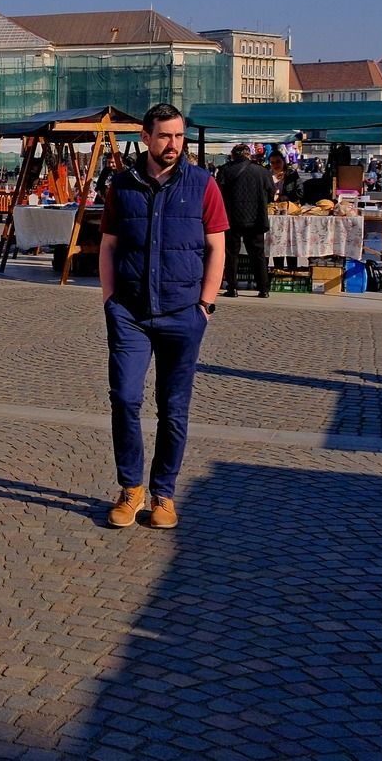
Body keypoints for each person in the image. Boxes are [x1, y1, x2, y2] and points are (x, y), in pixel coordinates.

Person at [98, 104, 227, 530]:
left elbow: (217, 247)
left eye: (178, 136)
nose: (173, 144)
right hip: (130, 312)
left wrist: (205, 305)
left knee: (173, 409)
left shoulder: (203, 184)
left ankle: (164, 494)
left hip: (182, 313)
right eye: (164, 136)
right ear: (146, 138)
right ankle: (130, 487)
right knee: (125, 398)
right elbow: (108, 245)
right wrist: (110, 300)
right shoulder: (122, 185)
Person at [215, 144, 273, 298]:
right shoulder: (262, 171)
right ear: (249, 155)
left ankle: (232, 288)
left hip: (231, 217)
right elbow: (271, 194)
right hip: (256, 218)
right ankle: (263, 289)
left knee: (231, 254)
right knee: (258, 254)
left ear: (233, 155)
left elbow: (218, 194)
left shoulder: (225, 170)